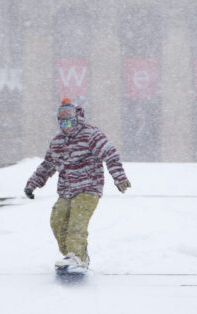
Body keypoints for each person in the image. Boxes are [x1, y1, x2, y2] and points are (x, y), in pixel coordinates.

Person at [24, 97, 131, 272]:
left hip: (89, 187)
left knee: (76, 222)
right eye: (64, 123)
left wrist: (119, 178)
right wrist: (32, 184)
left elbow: (110, 154)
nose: (68, 127)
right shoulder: (58, 142)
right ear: (59, 123)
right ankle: (74, 256)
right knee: (58, 221)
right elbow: (48, 165)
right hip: (67, 190)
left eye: (71, 122)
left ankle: (77, 256)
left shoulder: (91, 134)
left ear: (77, 119)